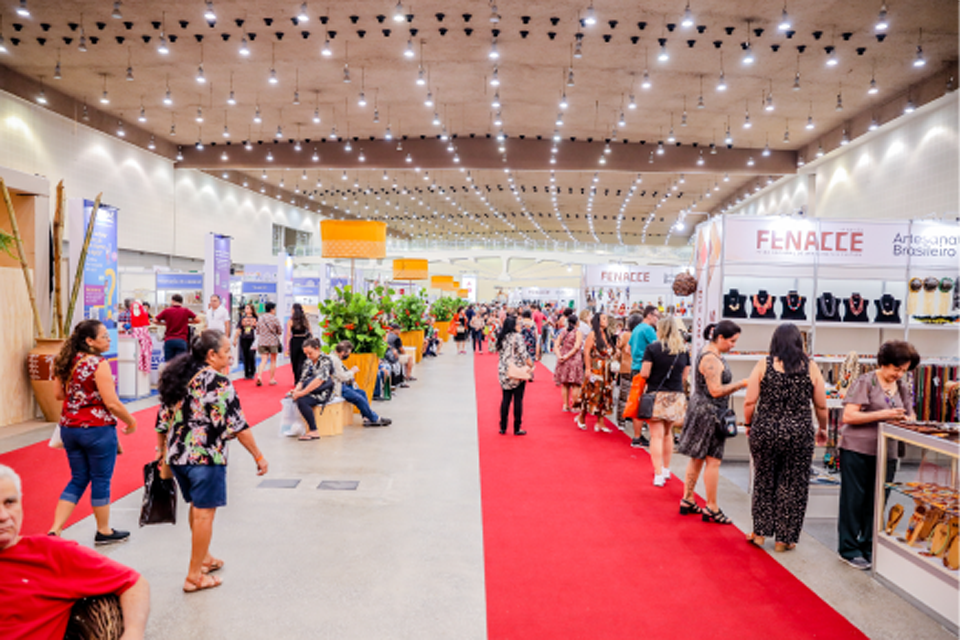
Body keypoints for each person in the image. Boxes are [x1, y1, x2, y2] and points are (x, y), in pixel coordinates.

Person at [156, 330, 268, 592]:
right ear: (211, 355)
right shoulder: (218, 382)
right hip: (206, 458)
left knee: (197, 508)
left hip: (177, 458)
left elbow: (162, 420)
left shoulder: (177, 376)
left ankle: (203, 557)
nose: (230, 355)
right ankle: (195, 576)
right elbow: (238, 425)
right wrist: (259, 456)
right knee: (205, 514)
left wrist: (160, 451)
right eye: (227, 351)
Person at [0, 464, 150, 640]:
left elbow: (133, 583)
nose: (3, 515)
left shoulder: (50, 553)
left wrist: (133, 633)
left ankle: (102, 528)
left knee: (90, 478)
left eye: (10, 502)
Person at [48, 320, 138, 544]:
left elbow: (59, 395)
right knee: (100, 478)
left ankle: (55, 529)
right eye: (105, 336)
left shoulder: (64, 361)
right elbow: (112, 403)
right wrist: (131, 421)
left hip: (69, 428)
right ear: (90, 341)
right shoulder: (99, 363)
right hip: (97, 431)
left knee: (78, 478)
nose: (109, 339)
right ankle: (104, 530)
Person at [743, 324, 829, 551]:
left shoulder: (764, 364)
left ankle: (759, 533)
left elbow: (750, 401)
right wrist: (823, 428)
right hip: (799, 433)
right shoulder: (810, 367)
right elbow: (821, 404)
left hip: (766, 430)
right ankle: (784, 538)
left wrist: (749, 424)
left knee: (763, 480)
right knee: (793, 484)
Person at [837, 340, 919, 570]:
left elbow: (910, 414)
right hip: (857, 449)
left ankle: (869, 545)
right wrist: (885, 414)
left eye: (903, 370)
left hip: (887, 452)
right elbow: (849, 416)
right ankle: (849, 548)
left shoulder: (902, 386)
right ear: (884, 363)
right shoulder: (866, 381)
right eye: (896, 368)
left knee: (878, 500)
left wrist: (906, 419)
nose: (899, 374)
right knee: (854, 500)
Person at [677, 321, 748, 525]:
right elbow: (716, 390)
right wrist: (742, 384)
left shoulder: (709, 353)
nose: (733, 345)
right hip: (710, 413)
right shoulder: (711, 359)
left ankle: (688, 499)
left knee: (697, 457)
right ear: (720, 338)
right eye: (732, 341)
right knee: (713, 460)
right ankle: (712, 506)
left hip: (704, 410)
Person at [637, 317, 691, 487]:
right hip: (676, 396)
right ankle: (667, 469)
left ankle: (658, 473)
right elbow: (685, 376)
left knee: (656, 436)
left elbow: (645, 373)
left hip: (656, 395)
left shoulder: (652, 348)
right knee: (669, 434)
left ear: (660, 330)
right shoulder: (683, 350)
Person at [331, 340, 391, 427]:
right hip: (338, 387)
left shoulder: (336, 358)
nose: (348, 355)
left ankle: (366, 418)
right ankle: (375, 418)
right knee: (359, 398)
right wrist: (352, 371)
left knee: (362, 393)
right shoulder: (334, 360)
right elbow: (342, 376)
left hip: (343, 385)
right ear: (343, 352)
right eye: (348, 353)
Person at [290, 337, 337, 440]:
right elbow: (302, 379)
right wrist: (296, 390)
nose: (308, 356)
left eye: (310, 353)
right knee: (294, 397)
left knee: (302, 400)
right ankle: (296, 428)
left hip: (324, 392)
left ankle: (313, 430)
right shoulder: (308, 362)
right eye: (306, 354)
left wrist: (301, 393)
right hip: (311, 389)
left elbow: (319, 380)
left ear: (317, 349)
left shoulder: (326, 360)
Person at [575, 312, 614, 433]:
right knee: (591, 394)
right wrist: (587, 368)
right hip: (596, 368)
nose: (606, 321)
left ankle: (600, 421)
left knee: (604, 395)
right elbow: (586, 352)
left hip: (606, 370)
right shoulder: (593, 334)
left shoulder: (607, 334)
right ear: (598, 321)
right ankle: (581, 417)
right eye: (603, 318)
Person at [629, 305, 660, 447]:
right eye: (656, 316)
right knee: (644, 403)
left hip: (635, 367)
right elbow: (658, 347)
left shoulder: (636, 328)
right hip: (645, 369)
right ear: (649, 315)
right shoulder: (648, 329)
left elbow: (628, 348)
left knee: (638, 401)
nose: (657, 319)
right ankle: (639, 436)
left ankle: (637, 436)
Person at [497, 315, 532, 436]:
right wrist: (530, 365)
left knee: (505, 399)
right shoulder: (517, 337)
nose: (519, 326)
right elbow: (524, 354)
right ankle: (517, 427)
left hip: (504, 371)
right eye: (517, 324)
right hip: (517, 372)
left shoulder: (501, 337)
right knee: (518, 400)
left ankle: (503, 426)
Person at [615, 313, 642, 432]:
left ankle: (621, 421)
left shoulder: (625, 335)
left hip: (626, 368)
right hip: (640, 369)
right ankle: (640, 422)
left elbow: (618, 350)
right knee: (639, 397)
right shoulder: (642, 335)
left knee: (623, 397)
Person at [553, 315, 584, 411]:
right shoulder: (578, 332)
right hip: (574, 360)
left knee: (565, 384)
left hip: (563, 360)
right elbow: (577, 347)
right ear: (577, 323)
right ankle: (575, 406)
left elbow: (556, 345)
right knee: (575, 384)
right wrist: (567, 356)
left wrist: (560, 356)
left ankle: (565, 405)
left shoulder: (563, 332)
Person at [155, 293, 198, 363]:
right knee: (180, 364)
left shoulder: (167, 310)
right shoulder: (186, 310)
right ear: (182, 302)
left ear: (172, 301)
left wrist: (164, 323)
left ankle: (169, 374)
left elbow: (155, 320)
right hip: (182, 340)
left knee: (169, 364)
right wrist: (187, 321)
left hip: (169, 340)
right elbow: (198, 320)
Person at [255, 301, 283, 386]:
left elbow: (257, 331)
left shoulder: (260, 318)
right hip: (273, 342)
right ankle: (271, 379)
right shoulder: (274, 318)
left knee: (263, 360)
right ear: (271, 310)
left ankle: (259, 376)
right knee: (273, 361)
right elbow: (280, 331)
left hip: (262, 341)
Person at [285, 303, 312, 386]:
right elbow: (310, 332)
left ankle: (297, 380)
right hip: (304, 341)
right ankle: (302, 380)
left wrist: (287, 346)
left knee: (295, 361)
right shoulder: (305, 320)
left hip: (295, 341)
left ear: (293, 310)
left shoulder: (290, 321)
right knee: (303, 361)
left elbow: (288, 334)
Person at [124, 298, 152, 373]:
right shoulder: (140, 313)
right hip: (139, 334)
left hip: (128, 340)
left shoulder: (123, 314)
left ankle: (141, 366)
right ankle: (144, 366)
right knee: (143, 351)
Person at [232, 303, 258, 380]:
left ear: (251, 310)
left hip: (253, 339)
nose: (246, 309)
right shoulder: (242, 318)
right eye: (245, 308)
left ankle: (252, 372)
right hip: (244, 339)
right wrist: (235, 339)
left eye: (248, 308)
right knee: (245, 356)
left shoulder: (256, 318)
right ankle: (246, 373)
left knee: (251, 356)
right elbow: (239, 329)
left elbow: (259, 329)